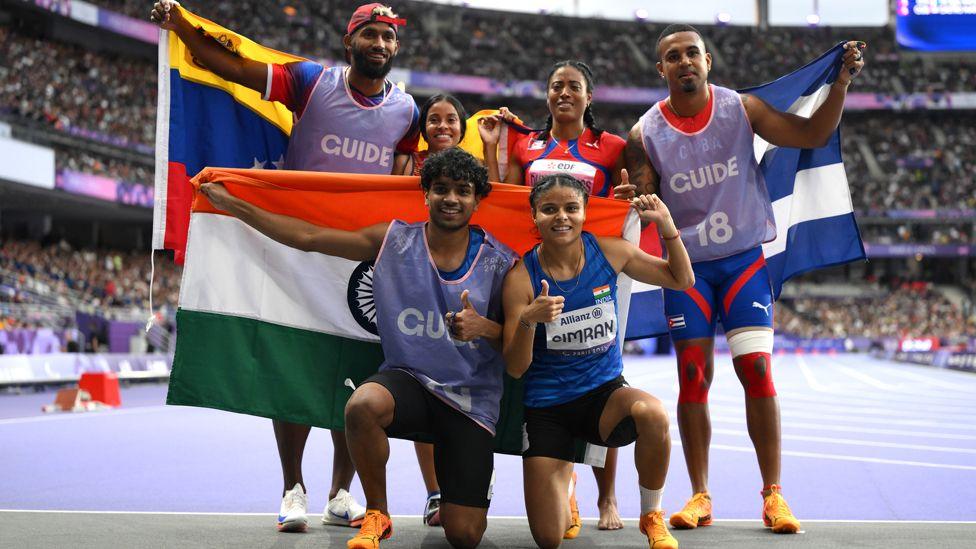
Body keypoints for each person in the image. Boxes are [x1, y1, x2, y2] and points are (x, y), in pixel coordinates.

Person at [151, 0, 420, 532]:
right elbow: (229, 67)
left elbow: (406, 180)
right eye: (371, 34)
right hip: (299, 247)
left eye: (389, 38)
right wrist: (183, 24)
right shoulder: (312, 81)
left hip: (359, 256)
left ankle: (341, 493)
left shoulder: (407, 113)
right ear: (351, 41)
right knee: (296, 363)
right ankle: (292, 487)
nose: (381, 45)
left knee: (353, 367)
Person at [199, 148, 515, 549]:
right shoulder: (394, 240)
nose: (451, 198)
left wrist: (485, 326)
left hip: (470, 399)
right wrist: (233, 206)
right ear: (425, 194)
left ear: (477, 199)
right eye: (441, 189)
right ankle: (378, 513)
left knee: (465, 535)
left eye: (462, 190)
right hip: (410, 382)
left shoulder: (500, 262)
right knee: (361, 406)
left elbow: (522, 346)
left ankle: (465, 483)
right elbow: (308, 238)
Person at [624, 24, 866, 535]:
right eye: (673, 56)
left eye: (692, 53)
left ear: (707, 61)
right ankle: (699, 495)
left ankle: (773, 494)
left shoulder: (740, 109)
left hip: (742, 262)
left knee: (756, 370)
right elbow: (644, 198)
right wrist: (636, 195)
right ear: (661, 69)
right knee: (692, 376)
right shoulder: (644, 134)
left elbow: (812, 135)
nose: (684, 61)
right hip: (685, 269)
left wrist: (840, 84)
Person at [480, 60, 634, 532]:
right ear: (546, 95)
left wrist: (624, 202)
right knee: (548, 365)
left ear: (590, 97)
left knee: (602, 370)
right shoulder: (528, 144)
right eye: (555, 86)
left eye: (574, 87)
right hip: (540, 268)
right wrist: (491, 149)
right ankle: (562, 479)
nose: (564, 93)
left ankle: (607, 495)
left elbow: (621, 198)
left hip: (594, 267)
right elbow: (505, 196)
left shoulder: (611, 147)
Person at [502, 173, 694, 549]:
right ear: (535, 217)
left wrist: (668, 227)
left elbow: (681, 279)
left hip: (603, 396)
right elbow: (515, 367)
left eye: (572, 208)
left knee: (654, 414)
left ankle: (651, 515)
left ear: (585, 212)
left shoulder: (611, 252)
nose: (562, 217)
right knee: (549, 539)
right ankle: (564, 476)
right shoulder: (521, 278)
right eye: (550, 209)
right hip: (547, 408)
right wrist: (529, 319)